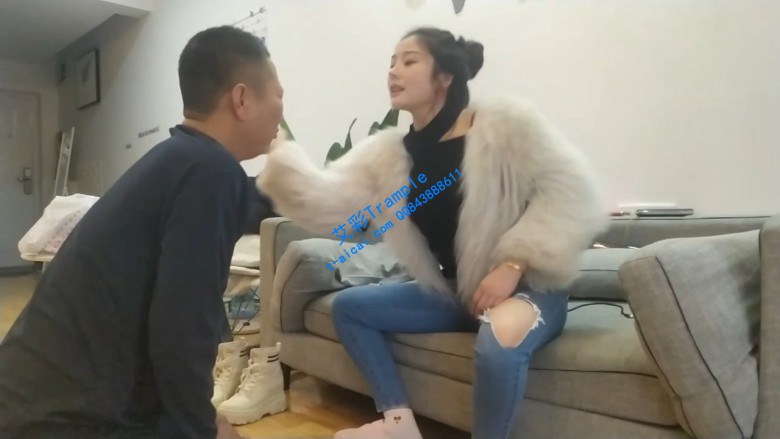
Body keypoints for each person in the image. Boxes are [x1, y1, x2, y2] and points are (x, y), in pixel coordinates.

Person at [258, 27, 608, 439]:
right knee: (350, 308)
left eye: (409, 61)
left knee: (498, 342)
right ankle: (398, 425)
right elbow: (331, 204)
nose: (393, 71)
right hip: (459, 290)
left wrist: (512, 265)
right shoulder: (389, 154)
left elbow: (571, 191)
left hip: (529, 286)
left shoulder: (505, 125)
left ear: (444, 77)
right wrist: (284, 162)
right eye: (392, 62)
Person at [0, 25, 283, 439]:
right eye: (278, 94)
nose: (281, 110)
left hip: (29, 399)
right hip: (64, 421)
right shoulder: (211, 173)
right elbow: (181, 331)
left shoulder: (182, 161)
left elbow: (252, 201)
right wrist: (202, 427)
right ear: (242, 99)